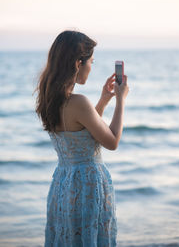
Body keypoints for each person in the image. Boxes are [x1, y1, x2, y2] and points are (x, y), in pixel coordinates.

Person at [35, 30, 129, 247]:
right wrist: (121, 101)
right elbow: (112, 141)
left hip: (64, 183)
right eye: (91, 62)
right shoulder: (78, 102)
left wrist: (103, 101)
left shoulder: (50, 98)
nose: (91, 68)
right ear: (78, 62)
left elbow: (82, 132)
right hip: (87, 186)